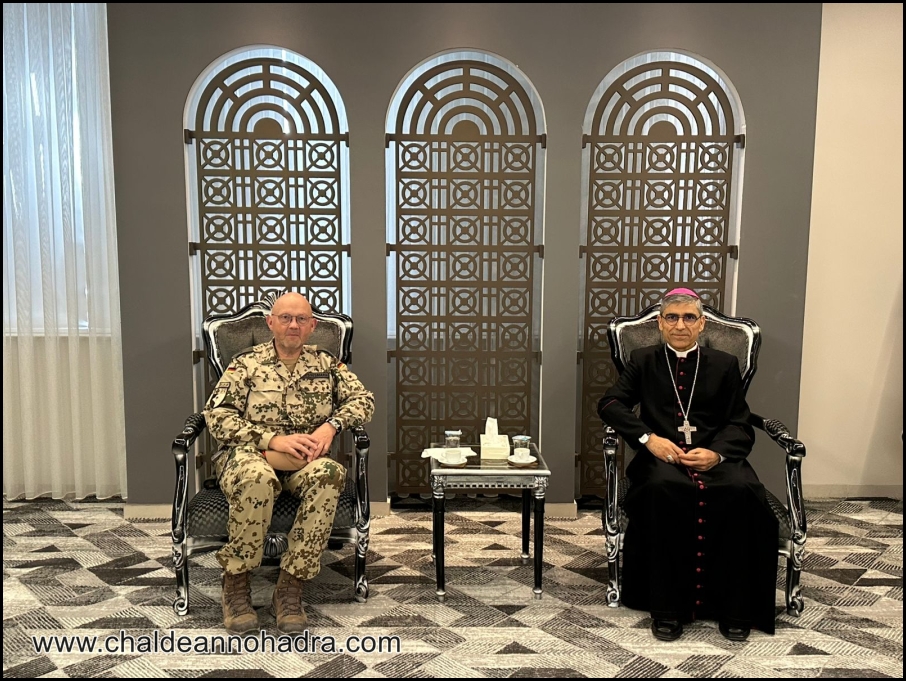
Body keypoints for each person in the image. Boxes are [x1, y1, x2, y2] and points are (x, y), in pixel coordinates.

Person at [597, 288, 778, 642]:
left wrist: (718, 454)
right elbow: (609, 404)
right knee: (663, 489)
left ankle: (735, 608)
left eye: (689, 318)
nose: (680, 325)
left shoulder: (724, 364)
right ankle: (667, 609)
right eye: (672, 318)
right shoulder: (643, 360)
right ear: (660, 323)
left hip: (715, 458)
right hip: (662, 460)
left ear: (702, 324)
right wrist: (649, 439)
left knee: (741, 490)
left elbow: (739, 422)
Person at [203, 292, 374, 635]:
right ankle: (236, 583)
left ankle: (290, 588)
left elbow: (364, 400)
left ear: (312, 326)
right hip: (250, 455)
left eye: (301, 319)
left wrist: (331, 426)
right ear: (271, 323)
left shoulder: (326, 364)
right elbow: (217, 416)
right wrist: (271, 440)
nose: (293, 325)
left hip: (304, 461)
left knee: (330, 473)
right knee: (257, 477)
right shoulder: (246, 363)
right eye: (285, 318)